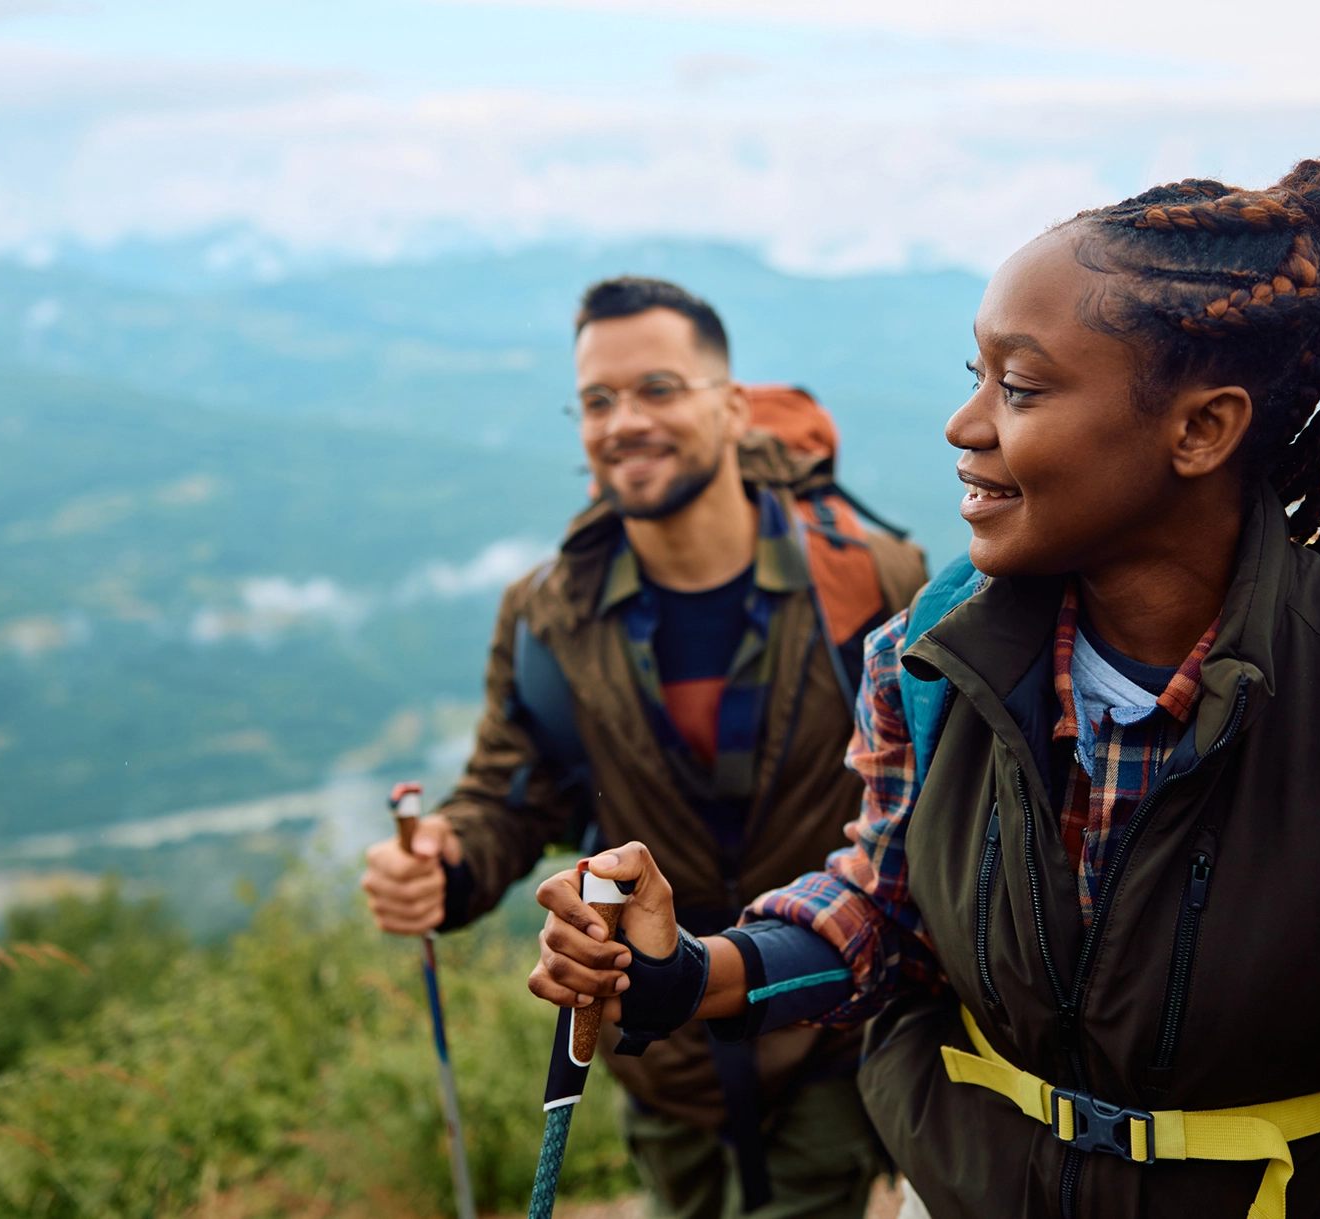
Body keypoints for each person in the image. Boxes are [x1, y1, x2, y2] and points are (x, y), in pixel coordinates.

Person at [526, 162, 1320, 1218]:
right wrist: (690, 972)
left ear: (1201, 431)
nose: (965, 426)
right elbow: (888, 903)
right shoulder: (930, 660)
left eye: (1017, 387)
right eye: (973, 375)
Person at [361, 276, 926, 1219]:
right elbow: (513, 793)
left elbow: (926, 812)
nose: (625, 420)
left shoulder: (869, 577)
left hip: (822, 1030)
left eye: (658, 389)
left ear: (732, 407)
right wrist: (448, 865)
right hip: (654, 1050)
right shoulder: (551, 616)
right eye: (598, 399)